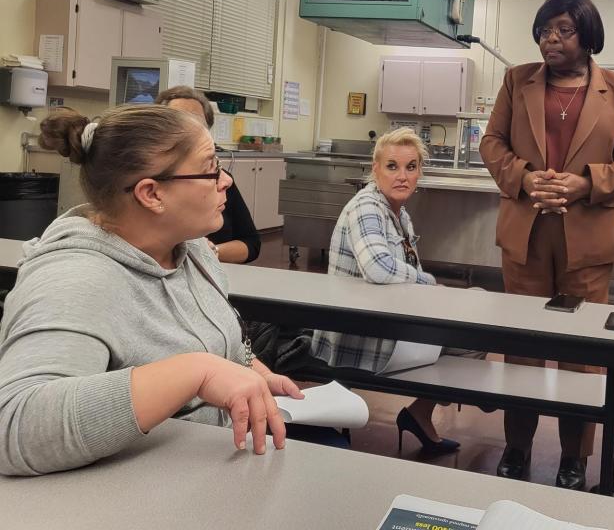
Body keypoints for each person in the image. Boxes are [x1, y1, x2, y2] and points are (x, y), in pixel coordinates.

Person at [0, 105, 303, 476]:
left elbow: (214, 344)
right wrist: (196, 372)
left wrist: (253, 373)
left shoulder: (193, 251)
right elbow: (15, 427)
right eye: (210, 167)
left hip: (215, 468)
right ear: (151, 194)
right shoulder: (75, 279)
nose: (225, 180)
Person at [479, 0, 614, 490]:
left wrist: (587, 183)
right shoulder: (517, 81)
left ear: (587, 35)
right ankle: (517, 446)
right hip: (526, 235)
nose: (550, 39)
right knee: (522, 349)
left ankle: (574, 456)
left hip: (588, 240)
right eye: (544, 30)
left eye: (562, 30)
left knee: (580, 354)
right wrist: (526, 177)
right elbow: (493, 142)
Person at [286, 127, 459, 455]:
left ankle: (419, 415)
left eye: (411, 167)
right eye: (392, 166)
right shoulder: (367, 206)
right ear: (375, 168)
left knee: (468, 317)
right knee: (470, 341)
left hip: (385, 324)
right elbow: (379, 268)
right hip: (361, 340)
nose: (402, 176)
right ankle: (420, 415)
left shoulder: (398, 213)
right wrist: (432, 284)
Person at [156, 86, 261, 264]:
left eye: (197, 125)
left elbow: (251, 242)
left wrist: (209, 252)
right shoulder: (151, 181)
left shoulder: (220, 180)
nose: (225, 182)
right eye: (180, 123)